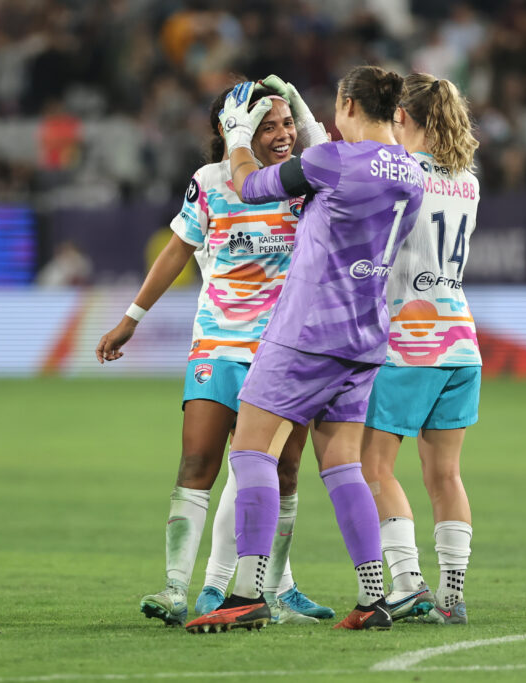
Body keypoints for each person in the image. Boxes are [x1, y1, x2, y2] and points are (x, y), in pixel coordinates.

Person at [185, 66, 425, 634]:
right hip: (365, 337)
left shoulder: (333, 161)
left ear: (345, 102)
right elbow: (344, 166)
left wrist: (237, 136)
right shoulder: (412, 172)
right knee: (343, 467)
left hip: (307, 331)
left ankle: (245, 592)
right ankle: (372, 599)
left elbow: (251, 185)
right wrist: (320, 129)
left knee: (250, 451)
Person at [95, 80, 332, 627]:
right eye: (267, 125)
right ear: (235, 129)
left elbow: (327, 156)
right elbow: (177, 250)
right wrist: (131, 318)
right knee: (199, 460)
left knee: (285, 472)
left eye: (286, 123)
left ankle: (275, 591)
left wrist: (302, 107)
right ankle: (176, 588)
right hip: (219, 341)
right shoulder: (210, 183)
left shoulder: (303, 182)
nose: (282, 134)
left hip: (285, 346)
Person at [360, 73, 481, 626]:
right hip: (461, 342)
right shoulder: (468, 182)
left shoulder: (401, 174)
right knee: (445, 476)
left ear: (402, 119)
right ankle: (452, 597)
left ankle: (407, 583)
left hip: (411, 341)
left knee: (374, 467)